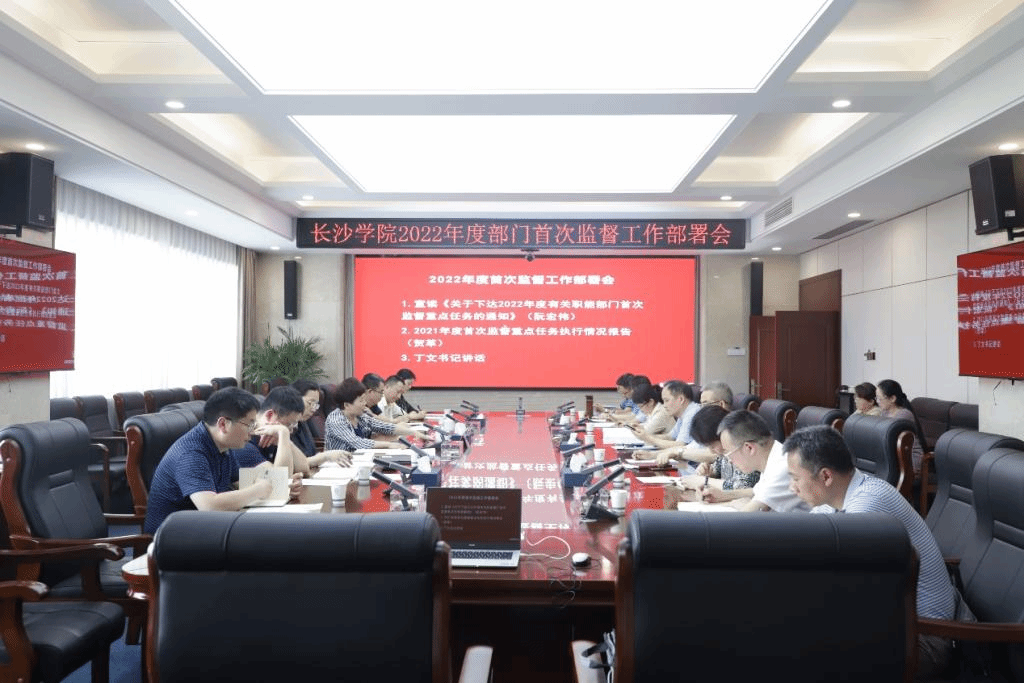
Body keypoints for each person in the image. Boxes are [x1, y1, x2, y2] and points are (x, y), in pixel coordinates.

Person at [784, 425, 955, 678]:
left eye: (795, 478)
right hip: (896, 624)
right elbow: (806, 541)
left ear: (826, 476)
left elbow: (847, 589)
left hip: (924, 639)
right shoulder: (838, 497)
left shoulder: (866, 506)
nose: (792, 488)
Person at [143, 387, 302, 534]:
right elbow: (209, 506)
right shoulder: (192, 453)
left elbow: (242, 484)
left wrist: (283, 487)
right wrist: (258, 490)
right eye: (249, 424)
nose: (252, 431)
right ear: (223, 424)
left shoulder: (222, 446)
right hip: (173, 538)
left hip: (204, 527)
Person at [717, 408, 809, 512]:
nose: (729, 461)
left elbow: (742, 518)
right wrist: (723, 495)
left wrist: (742, 505)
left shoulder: (783, 467)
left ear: (749, 448)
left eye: (729, 454)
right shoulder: (774, 454)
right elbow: (757, 491)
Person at [324, 377, 419, 451]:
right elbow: (357, 442)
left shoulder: (360, 415)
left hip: (361, 459)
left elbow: (383, 426)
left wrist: (414, 433)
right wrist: (389, 445)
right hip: (339, 466)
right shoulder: (336, 420)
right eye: (361, 400)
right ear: (347, 405)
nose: (365, 403)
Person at [290, 379, 352, 472]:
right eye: (310, 403)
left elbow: (310, 454)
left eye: (316, 404)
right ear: (295, 400)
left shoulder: (303, 422)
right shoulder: (286, 426)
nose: (313, 409)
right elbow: (293, 465)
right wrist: (325, 456)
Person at [631, 380, 701, 456]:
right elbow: (670, 437)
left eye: (667, 400)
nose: (664, 405)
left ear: (681, 399)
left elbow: (681, 446)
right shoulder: (683, 414)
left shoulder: (692, 414)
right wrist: (645, 436)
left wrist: (648, 439)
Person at [876, 379, 926, 472]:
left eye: (880, 398)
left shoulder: (904, 415)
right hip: (894, 455)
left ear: (892, 398)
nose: (878, 402)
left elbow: (889, 438)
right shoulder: (884, 413)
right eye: (876, 398)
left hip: (909, 458)